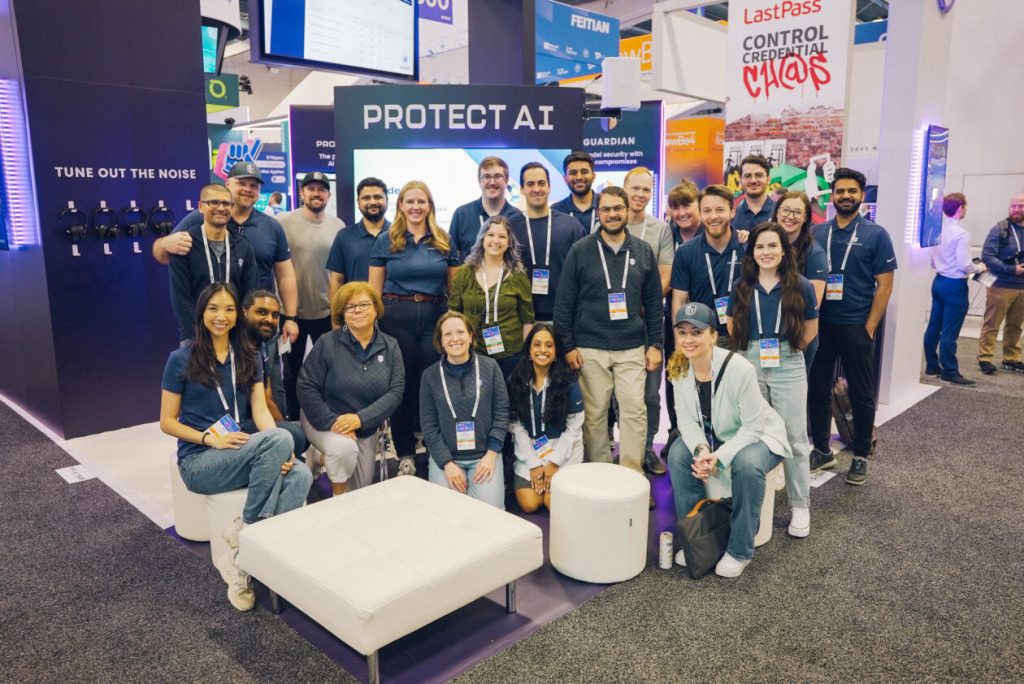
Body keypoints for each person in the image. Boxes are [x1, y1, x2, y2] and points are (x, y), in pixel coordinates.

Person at [160, 282, 312, 611]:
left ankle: (242, 560)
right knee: (281, 439)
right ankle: (250, 539)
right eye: (213, 308)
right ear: (201, 313)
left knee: (301, 474)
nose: (221, 316)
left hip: (239, 449)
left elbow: (260, 410)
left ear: (237, 315)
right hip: (200, 460)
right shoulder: (180, 359)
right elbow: (167, 422)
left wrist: (283, 451)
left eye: (229, 309)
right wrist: (209, 438)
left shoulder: (249, 356)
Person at [553, 187, 663, 505]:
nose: (612, 214)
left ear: (627, 211)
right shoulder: (581, 250)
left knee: (634, 411)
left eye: (618, 208)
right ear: (598, 213)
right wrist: (568, 346)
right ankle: (602, 479)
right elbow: (564, 303)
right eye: (606, 209)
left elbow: (654, 304)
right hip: (590, 347)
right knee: (595, 414)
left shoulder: (643, 251)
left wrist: (655, 344)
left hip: (632, 346)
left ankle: (632, 480)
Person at [665, 301, 792, 578]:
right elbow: (685, 421)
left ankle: (739, 549)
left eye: (696, 332)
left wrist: (718, 457)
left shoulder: (739, 369)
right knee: (678, 454)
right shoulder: (678, 367)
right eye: (682, 332)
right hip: (716, 436)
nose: (688, 339)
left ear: (713, 335)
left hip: (761, 436)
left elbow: (753, 428)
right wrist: (701, 449)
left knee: (747, 463)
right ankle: (698, 538)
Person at [726, 222, 819, 538]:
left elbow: (811, 326)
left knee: (794, 436)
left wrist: (791, 350)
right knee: (755, 434)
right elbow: (730, 323)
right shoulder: (742, 286)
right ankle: (757, 504)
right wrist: (748, 351)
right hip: (750, 359)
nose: (766, 252)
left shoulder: (801, 285)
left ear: (783, 250)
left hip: (787, 361)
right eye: (760, 246)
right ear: (752, 252)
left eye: (772, 246)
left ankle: (800, 505)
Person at [808, 168, 897, 486]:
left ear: (862, 195)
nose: (845, 196)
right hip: (821, 326)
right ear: (832, 196)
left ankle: (860, 455)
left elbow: (885, 285)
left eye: (852, 191)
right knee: (817, 389)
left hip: (857, 325)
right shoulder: (817, 232)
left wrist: (870, 327)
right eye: (840, 191)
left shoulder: (876, 234)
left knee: (861, 392)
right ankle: (821, 449)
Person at [153, 162, 300, 345]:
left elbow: (285, 274)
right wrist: (164, 243)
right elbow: (163, 257)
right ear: (227, 184)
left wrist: (290, 318)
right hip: (198, 331)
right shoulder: (199, 219)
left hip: (252, 327)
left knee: (258, 364)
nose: (248, 189)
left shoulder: (271, 226)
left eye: (253, 185)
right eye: (241, 183)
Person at [368, 181, 460, 476]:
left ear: (430, 205)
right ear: (401, 206)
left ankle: (435, 451)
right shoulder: (386, 240)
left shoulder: (443, 240)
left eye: (422, 201)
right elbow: (374, 291)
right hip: (397, 317)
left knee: (433, 385)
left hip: (435, 317)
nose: (416, 207)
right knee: (401, 387)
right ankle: (406, 453)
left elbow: (455, 289)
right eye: (410, 201)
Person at [298, 282, 405, 496]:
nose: (357, 310)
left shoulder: (390, 345)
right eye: (350, 306)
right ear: (342, 314)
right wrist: (334, 422)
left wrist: (359, 419)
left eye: (364, 304)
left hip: (364, 426)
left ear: (376, 310)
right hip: (323, 419)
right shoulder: (327, 343)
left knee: (360, 489)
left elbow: (395, 392)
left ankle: (319, 457)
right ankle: (338, 499)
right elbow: (306, 386)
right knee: (343, 451)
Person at [419, 312, 510, 508]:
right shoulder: (429, 376)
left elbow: (502, 413)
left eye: (460, 332)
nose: (455, 338)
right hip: (447, 459)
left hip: (485, 456)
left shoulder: (491, 367)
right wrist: (447, 464)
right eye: (448, 334)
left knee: (490, 514)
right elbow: (429, 426)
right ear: (441, 341)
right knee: (445, 513)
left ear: (470, 336)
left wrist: (491, 454)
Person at [278, 172, 346, 419]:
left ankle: (328, 417)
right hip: (291, 314)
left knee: (331, 370)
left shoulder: (338, 226)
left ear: (328, 194)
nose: (316, 193)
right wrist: (288, 315)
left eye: (321, 189)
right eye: (311, 189)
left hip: (326, 312)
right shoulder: (282, 222)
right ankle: (293, 418)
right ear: (302, 193)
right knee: (292, 371)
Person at [623, 166, 675, 476]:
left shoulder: (660, 230)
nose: (640, 194)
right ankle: (625, 449)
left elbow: (665, 275)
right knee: (620, 393)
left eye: (646, 190)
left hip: (648, 321)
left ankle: (645, 450)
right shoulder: (607, 223)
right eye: (636, 188)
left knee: (649, 393)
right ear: (624, 189)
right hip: (616, 324)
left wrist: (644, 305)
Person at [506, 325, 584, 513]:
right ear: (529, 350)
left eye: (549, 345)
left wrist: (554, 463)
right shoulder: (516, 380)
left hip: (563, 449)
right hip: (530, 448)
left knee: (552, 503)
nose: (543, 350)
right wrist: (533, 464)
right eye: (537, 345)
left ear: (556, 352)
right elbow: (515, 426)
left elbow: (574, 427)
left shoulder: (569, 382)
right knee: (529, 504)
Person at [169, 183, 258, 342]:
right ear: (201, 207)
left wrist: (238, 334)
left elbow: (249, 296)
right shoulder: (184, 246)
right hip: (195, 338)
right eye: (214, 202)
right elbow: (181, 299)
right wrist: (200, 337)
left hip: (234, 337)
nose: (221, 208)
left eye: (226, 203)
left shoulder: (244, 247)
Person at [449, 216, 535, 379]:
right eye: (490, 235)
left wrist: (525, 355)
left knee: (508, 395)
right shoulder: (465, 273)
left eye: (502, 236)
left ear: (509, 242)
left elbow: (528, 319)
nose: (496, 241)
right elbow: (453, 312)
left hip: (511, 355)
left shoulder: (518, 275)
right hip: (472, 352)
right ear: (482, 238)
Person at [660, 180, 705, 458]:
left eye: (686, 205)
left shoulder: (710, 231)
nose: (681, 213)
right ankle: (676, 432)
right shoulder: (668, 234)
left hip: (705, 319)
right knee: (675, 375)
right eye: (675, 207)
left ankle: (704, 432)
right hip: (674, 317)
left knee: (704, 375)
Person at [671, 184, 746, 346]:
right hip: (702, 336)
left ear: (732, 212)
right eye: (707, 211)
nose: (713, 216)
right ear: (700, 213)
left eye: (720, 210)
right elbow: (679, 301)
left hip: (744, 337)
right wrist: (680, 344)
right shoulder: (685, 252)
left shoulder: (748, 248)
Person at [514, 162, 587, 325]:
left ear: (549, 187)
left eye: (541, 183)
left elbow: (584, 276)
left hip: (564, 318)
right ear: (522, 189)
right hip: (521, 321)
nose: (536, 189)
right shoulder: (509, 228)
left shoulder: (572, 227)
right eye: (530, 184)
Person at [924, 193, 985, 384]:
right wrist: (980, 268)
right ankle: (950, 370)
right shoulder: (962, 234)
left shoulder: (937, 230)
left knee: (934, 326)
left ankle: (932, 365)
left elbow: (932, 261)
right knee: (950, 331)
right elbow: (965, 265)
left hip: (939, 282)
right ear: (960, 208)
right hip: (954, 285)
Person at [240, 289, 308, 455]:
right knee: (296, 437)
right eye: (261, 312)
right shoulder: (237, 347)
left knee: (297, 436)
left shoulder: (262, 345)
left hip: (256, 417)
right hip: (231, 424)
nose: (269, 319)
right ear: (244, 311)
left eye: (275, 315)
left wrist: (282, 428)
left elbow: (267, 396)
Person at [772, 191, 827, 370]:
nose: (790, 216)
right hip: (767, 334)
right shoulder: (765, 247)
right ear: (777, 212)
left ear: (805, 217)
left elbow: (813, 306)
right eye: (785, 210)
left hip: (797, 337)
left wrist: (795, 349)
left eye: (797, 212)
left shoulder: (814, 253)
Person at [977, 193, 1024, 375]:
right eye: (1014, 206)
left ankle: (1012, 358)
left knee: (1015, 326)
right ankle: (985, 358)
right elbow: (987, 256)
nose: (1017, 209)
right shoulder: (999, 229)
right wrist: (1011, 269)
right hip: (1000, 286)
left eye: (1021, 206)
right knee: (992, 324)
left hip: (1022, 287)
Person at [448, 156, 526, 263]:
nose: (492, 182)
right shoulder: (461, 214)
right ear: (479, 181)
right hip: (469, 274)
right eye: (486, 177)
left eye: (498, 176)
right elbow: (452, 260)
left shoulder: (518, 217)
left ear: (506, 181)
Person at [327, 177, 390, 304]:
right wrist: (336, 314)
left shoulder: (400, 235)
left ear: (387, 200)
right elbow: (337, 280)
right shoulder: (344, 236)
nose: (372, 202)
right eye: (366, 198)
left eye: (378, 197)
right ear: (358, 202)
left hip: (394, 311)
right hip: (356, 310)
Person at [551, 151, 598, 233]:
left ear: (593, 176)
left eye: (584, 172)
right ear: (565, 179)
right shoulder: (555, 210)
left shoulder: (606, 206)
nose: (579, 177)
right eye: (573, 173)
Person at [732, 155, 775, 231]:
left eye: (759, 175)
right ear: (740, 181)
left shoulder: (779, 212)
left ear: (768, 179)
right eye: (747, 176)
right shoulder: (732, 215)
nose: (753, 181)